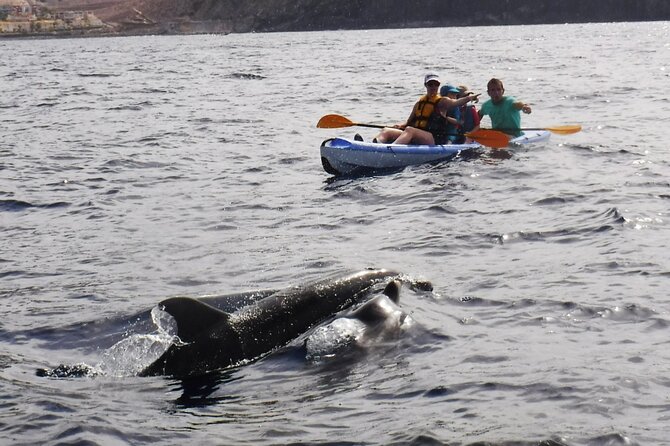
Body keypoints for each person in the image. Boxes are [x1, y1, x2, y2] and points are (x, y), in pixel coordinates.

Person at [374, 74, 479, 145]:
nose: (433, 87)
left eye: (436, 84)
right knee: (386, 130)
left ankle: (391, 149)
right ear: (426, 85)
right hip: (417, 134)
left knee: (410, 130)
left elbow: (456, 102)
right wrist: (400, 125)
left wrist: (469, 98)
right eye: (430, 84)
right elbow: (409, 121)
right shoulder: (419, 103)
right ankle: (375, 144)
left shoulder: (442, 101)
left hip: (434, 138)